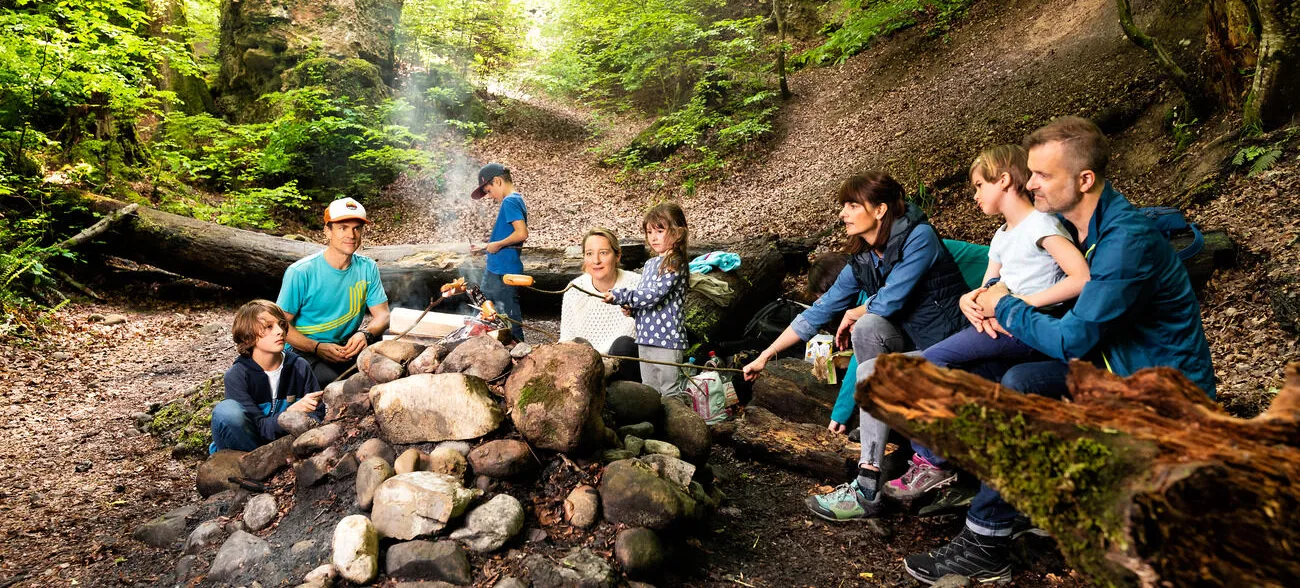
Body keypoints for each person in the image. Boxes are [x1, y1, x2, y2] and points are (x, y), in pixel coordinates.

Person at [901, 116, 1215, 585]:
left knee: (1023, 396)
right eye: (1030, 173)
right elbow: (1042, 288)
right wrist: (987, 294)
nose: (1030, 184)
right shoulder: (1086, 230)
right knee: (1015, 381)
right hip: (1115, 369)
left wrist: (1004, 305)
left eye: (1043, 175)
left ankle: (986, 539)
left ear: (1084, 180)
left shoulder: (1125, 241)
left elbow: (1073, 339)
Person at [741, 172, 969, 521]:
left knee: (869, 361)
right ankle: (882, 422)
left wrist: (855, 311)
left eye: (852, 205)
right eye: (843, 206)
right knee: (868, 328)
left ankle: (867, 486)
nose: (843, 214)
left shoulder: (919, 238)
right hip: (914, 349)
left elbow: (893, 298)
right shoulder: (864, 258)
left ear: (879, 209)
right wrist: (765, 355)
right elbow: (818, 312)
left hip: (954, 350)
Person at [884, 144, 1090, 501]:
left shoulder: (1041, 224)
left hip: (1030, 328)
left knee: (926, 364)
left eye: (980, 185)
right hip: (999, 327)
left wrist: (1017, 305)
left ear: (1005, 181)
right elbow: (989, 286)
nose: (976, 195)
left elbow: (1081, 278)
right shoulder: (1002, 236)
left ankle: (933, 462)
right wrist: (970, 301)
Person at [277, 197, 391, 385]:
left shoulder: (368, 268)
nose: (351, 235)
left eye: (357, 228)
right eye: (342, 227)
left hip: (346, 347)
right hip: (303, 351)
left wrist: (365, 334)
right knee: (340, 385)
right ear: (327, 231)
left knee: (385, 373)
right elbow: (279, 325)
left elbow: (383, 316)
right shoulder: (301, 272)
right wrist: (316, 347)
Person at [211, 300, 324, 452]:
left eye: (281, 325)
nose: (280, 331)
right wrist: (289, 414)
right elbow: (260, 430)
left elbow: (318, 413)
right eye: (269, 327)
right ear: (248, 337)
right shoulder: (237, 376)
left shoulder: (299, 366)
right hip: (245, 446)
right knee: (226, 411)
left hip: (284, 445)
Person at [605, 203, 690, 397]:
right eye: (649, 231)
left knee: (669, 390)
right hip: (645, 338)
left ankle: (675, 425)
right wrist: (633, 310)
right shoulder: (651, 263)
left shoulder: (675, 262)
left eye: (660, 230)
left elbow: (654, 295)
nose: (653, 237)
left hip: (667, 339)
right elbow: (646, 298)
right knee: (649, 389)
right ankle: (653, 425)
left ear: (677, 233)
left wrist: (621, 295)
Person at [560, 228, 642, 380]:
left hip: (625, 366)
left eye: (603, 253)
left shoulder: (636, 284)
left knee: (623, 344)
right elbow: (566, 339)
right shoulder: (574, 289)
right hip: (588, 368)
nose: (596, 261)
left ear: (617, 256)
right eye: (589, 254)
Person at [470, 162, 528, 341]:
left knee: (507, 312)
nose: (489, 196)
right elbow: (508, 236)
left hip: (504, 270)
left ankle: (518, 345)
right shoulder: (515, 199)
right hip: (497, 267)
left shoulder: (509, 201)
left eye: (488, 191)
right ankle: (483, 340)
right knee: (485, 305)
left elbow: (521, 233)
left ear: (497, 181)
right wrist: (486, 246)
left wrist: (497, 245)